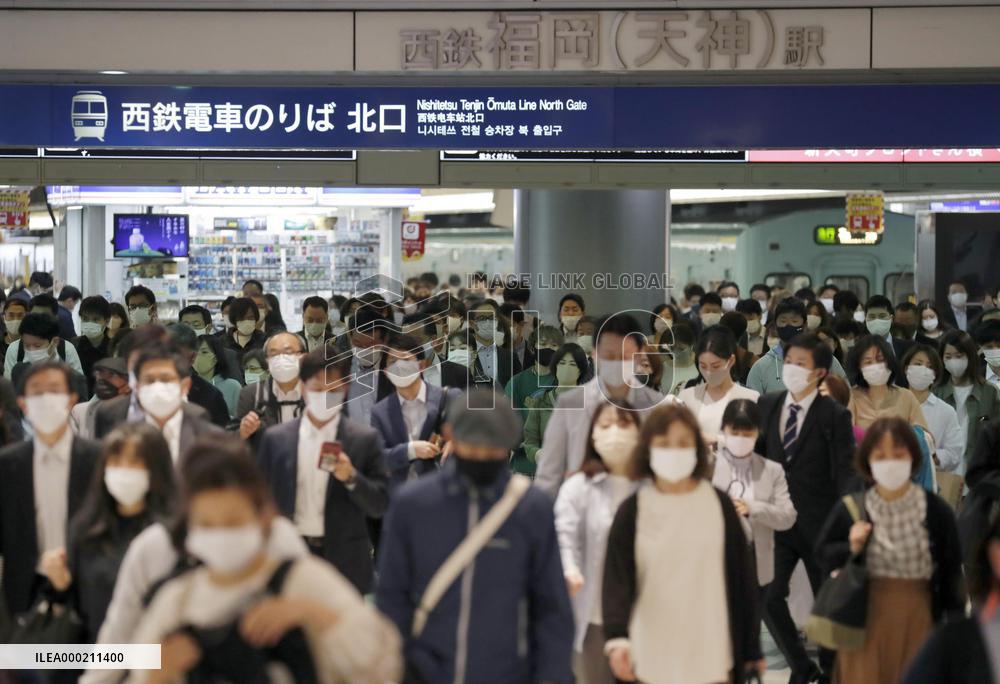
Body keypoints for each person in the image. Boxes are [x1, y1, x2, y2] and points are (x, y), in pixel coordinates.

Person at [126, 437, 400, 684]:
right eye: (207, 525)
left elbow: (384, 662)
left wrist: (315, 615)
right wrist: (155, 675)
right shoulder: (176, 599)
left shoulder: (303, 580)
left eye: (233, 521)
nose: (220, 533)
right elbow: (123, 652)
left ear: (263, 516)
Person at [376, 388, 574, 683]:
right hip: (425, 672)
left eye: (492, 448)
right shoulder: (413, 505)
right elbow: (392, 598)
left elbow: (552, 608)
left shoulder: (531, 508)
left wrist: (551, 676)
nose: (482, 455)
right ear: (449, 435)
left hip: (508, 672)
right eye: (474, 446)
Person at [602, 403, 762, 684]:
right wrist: (617, 637)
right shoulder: (633, 510)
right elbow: (617, 580)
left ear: (697, 449)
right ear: (648, 449)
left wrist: (751, 647)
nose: (674, 451)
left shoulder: (718, 505)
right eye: (664, 444)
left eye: (683, 443)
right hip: (650, 652)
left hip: (711, 651)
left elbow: (742, 578)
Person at [816, 417, 965, 684]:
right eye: (881, 455)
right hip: (862, 618)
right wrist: (850, 547)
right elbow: (824, 556)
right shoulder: (852, 508)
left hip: (917, 616)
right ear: (867, 460)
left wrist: (955, 636)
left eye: (898, 454)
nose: (890, 462)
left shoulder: (936, 510)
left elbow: (952, 574)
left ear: (913, 457)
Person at [755, 332, 858, 684]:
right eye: (789, 362)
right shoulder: (768, 404)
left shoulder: (834, 415)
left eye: (801, 364)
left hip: (821, 525)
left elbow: (846, 471)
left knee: (826, 604)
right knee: (767, 594)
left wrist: (847, 521)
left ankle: (831, 672)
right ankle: (801, 666)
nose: (792, 369)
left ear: (819, 373)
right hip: (777, 522)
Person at [256, 347, 389, 594]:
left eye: (334, 391)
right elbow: (260, 499)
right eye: (318, 390)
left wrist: (352, 478)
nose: (325, 397)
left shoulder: (364, 439)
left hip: (345, 559)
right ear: (303, 388)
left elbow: (380, 504)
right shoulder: (276, 439)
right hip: (291, 554)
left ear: (346, 389)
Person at [39, 423, 177, 642]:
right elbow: (76, 609)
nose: (124, 470)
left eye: (135, 462)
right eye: (115, 462)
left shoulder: (174, 533)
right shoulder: (86, 528)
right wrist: (60, 584)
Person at [0, 361, 100, 616]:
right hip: (25, 589)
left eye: (55, 390)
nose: (46, 399)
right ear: (23, 403)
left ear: (71, 399)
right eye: (37, 392)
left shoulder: (98, 459)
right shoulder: (8, 464)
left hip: (88, 586)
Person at [555, 401, 641, 684]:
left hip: (645, 613)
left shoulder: (652, 486)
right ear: (593, 435)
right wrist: (569, 569)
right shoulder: (578, 487)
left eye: (624, 424)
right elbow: (564, 535)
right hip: (594, 612)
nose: (615, 432)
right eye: (605, 425)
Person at [536, 313, 667, 497]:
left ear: (638, 357)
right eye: (609, 355)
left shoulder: (655, 406)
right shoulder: (570, 402)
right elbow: (549, 472)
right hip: (581, 508)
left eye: (624, 356)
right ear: (595, 354)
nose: (616, 362)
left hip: (637, 508)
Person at [712, 399, 797, 597]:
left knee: (751, 624)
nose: (740, 438)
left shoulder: (772, 470)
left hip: (757, 562)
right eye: (734, 432)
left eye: (747, 433)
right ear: (723, 430)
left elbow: (788, 516)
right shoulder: (708, 468)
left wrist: (753, 508)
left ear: (758, 432)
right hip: (717, 561)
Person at [96, 341, 221, 461]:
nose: (157, 387)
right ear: (136, 385)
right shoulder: (110, 413)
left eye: (166, 379)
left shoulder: (200, 421)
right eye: (149, 380)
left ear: (184, 386)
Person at [371, 333, 459, 491]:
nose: (399, 366)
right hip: (401, 499)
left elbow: (477, 434)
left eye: (405, 359)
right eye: (393, 362)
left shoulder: (450, 398)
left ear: (421, 365)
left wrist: (457, 441)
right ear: (386, 372)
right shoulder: (380, 412)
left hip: (445, 494)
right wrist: (410, 450)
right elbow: (377, 458)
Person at [747, 297, 848, 395]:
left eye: (794, 321)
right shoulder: (761, 367)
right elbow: (752, 407)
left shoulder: (826, 360)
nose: (788, 325)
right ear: (776, 326)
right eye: (783, 321)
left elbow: (845, 395)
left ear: (804, 325)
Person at [679, 326, 760, 445]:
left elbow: (754, 442)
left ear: (731, 361)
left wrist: (716, 441)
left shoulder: (750, 398)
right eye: (703, 366)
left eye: (715, 366)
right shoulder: (686, 396)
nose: (708, 372)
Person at [934, 329, 1000, 472]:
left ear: (970, 356)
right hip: (943, 472)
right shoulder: (935, 392)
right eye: (948, 356)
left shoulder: (989, 392)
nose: (954, 361)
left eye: (959, 356)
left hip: (978, 472)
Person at [521, 343, 590, 477]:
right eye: (562, 363)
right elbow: (530, 440)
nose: (566, 368)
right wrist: (537, 453)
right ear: (555, 366)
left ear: (580, 370)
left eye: (572, 364)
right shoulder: (541, 401)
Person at [235, 332, 306, 450]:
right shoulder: (250, 394)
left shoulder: (320, 392)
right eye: (274, 354)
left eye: (288, 353)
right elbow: (232, 437)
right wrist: (243, 432)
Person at [901, 344, 966, 474]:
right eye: (918, 364)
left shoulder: (946, 411)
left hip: (932, 481)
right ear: (906, 368)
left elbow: (954, 453)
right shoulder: (891, 404)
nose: (923, 370)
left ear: (935, 375)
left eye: (929, 367)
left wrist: (931, 456)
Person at [847, 335, 929, 430]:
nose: (875, 366)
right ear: (858, 367)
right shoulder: (850, 397)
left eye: (880, 360)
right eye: (868, 362)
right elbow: (846, 438)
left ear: (890, 362)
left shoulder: (906, 397)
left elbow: (924, 437)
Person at [167, 324, 230, 428]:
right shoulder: (144, 389)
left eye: (176, 354)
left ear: (192, 357)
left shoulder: (210, 395)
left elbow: (221, 438)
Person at [4, 310, 86, 379]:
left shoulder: (66, 349)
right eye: (27, 345)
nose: (31, 350)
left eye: (37, 346)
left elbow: (80, 388)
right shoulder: (15, 349)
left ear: (54, 342)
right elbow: (8, 390)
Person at [504, 324, 563, 412]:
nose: (548, 348)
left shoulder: (567, 380)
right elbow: (506, 417)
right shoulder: (516, 383)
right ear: (532, 349)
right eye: (543, 344)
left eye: (554, 345)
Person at [71, 357, 130, 439]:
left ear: (127, 383)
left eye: (112, 375)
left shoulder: (138, 413)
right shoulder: (80, 412)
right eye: (99, 375)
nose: (103, 380)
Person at [468, 298, 519, 389]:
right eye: (482, 318)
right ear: (472, 324)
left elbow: (518, 388)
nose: (488, 322)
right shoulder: (464, 355)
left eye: (492, 318)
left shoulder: (510, 357)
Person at [192, 333, 242, 417]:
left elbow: (240, 420)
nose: (197, 356)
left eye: (204, 352)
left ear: (215, 357)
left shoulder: (233, 386)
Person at [72, 295, 113, 393]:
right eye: (85, 319)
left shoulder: (115, 347)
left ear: (107, 321)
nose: (90, 323)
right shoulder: (73, 346)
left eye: (95, 319)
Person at [864, 295, 915, 361]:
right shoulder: (857, 350)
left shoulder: (909, 348)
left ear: (891, 319)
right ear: (865, 319)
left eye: (882, 316)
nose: (877, 320)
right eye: (872, 316)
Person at [222, 296, 268, 366]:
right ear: (234, 320)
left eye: (250, 317)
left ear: (256, 318)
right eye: (241, 318)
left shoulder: (265, 341)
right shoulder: (223, 342)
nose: (246, 321)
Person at [977, 319, 1000, 390]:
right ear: (980, 347)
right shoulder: (976, 378)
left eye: (999, 346)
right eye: (989, 347)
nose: (995, 350)